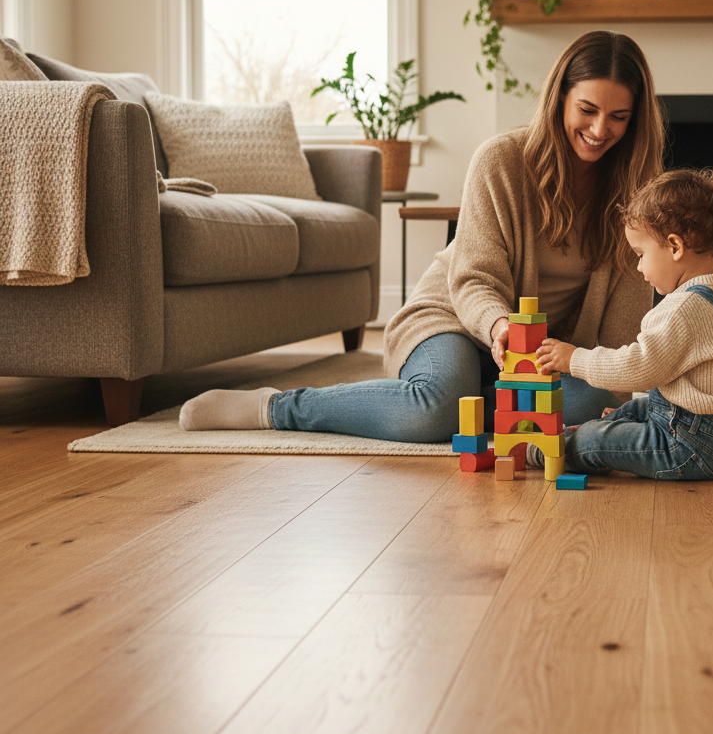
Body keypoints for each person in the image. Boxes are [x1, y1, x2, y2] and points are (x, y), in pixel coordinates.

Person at [179, 31, 665, 440]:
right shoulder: (502, 160)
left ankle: (477, 401)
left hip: (544, 352)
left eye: (619, 117)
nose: (601, 129)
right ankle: (279, 408)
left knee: (596, 403)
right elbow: (473, 278)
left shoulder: (638, 189)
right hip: (456, 316)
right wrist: (499, 328)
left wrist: (593, 375)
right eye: (587, 109)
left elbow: (621, 332)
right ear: (559, 96)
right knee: (435, 409)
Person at [531, 168, 713, 480]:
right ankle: (614, 437)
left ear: (675, 246)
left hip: (690, 446)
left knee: (594, 439)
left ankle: (552, 450)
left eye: (640, 254)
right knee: (637, 410)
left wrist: (574, 359)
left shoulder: (683, 309)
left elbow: (637, 368)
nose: (638, 267)